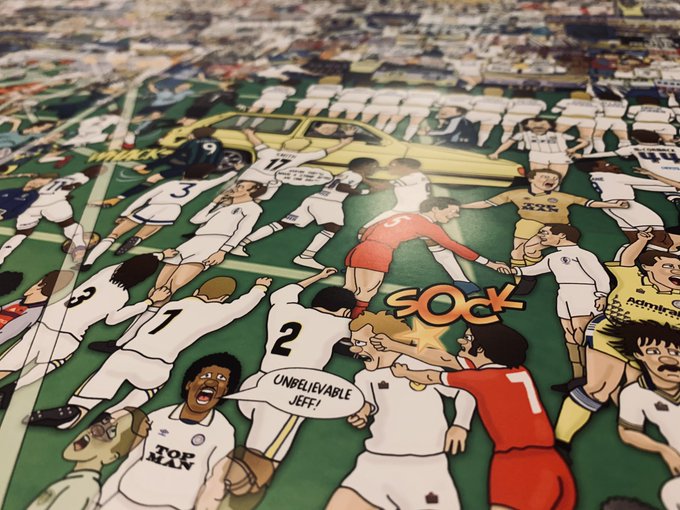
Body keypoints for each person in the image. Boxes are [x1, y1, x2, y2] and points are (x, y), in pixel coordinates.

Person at [374, 321, 577, 510]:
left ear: (481, 350)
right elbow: (444, 359)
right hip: (552, 462)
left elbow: (431, 376)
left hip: (519, 465)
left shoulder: (484, 379)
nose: (461, 341)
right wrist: (394, 345)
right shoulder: (518, 372)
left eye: (468, 338)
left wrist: (406, 373)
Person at [27, 276, 271, 429]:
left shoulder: (174, 305)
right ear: (223, 298)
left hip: (125, 354)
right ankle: (112, 417)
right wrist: (259, 289)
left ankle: (74, 412)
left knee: (91, 393)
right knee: (144, 391)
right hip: (157, 364)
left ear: (197, 291)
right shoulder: (212, 312)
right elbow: (240, 308)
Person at [325, 311, 475, 510]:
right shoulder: (364, 377)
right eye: (354, 343)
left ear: (382, 341)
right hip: (375, 461)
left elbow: (465, 392)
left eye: (360, 343)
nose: (355, 349)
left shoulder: (419, 364)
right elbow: (368, 403)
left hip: (424, 466)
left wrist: (460, 425)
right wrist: (361, 413)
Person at [233, 269, 355, 500]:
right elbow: (369, 335)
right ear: (345, 312)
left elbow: (285, 292)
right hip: (287, 393)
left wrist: (319, 275)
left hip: (256, 384)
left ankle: (240, 488)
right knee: (265, 456)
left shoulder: (285, 308)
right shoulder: (340, 323)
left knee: (258, 449)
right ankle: (240, 496)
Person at [554, 230, 680, 454]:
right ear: (648, 268)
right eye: (668, 266)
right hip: (612, 335)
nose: (676, 271)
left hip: (652, 347)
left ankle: (633, 431)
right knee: (598, 387)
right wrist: (642, 240)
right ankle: (560, 442)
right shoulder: (632, 278)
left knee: (633, 392)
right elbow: (628, 259)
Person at [0, 252, 173, 408]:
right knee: (49, 364)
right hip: (67, 335)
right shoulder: (122, 295)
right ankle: (13, 388)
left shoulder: (105, 273)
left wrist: (160, 255)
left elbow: (132, 264)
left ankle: (9, 386)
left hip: (46, 322)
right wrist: (149, 302)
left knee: (9, 363)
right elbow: (112, 320)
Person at [98, 353, 240, 510]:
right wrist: (100, 502)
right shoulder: (158, 417)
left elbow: (216, 481)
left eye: (221, 379)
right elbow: (130, 460)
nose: (212, 382)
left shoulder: (223, 430)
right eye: (206, 375)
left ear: (225, 392)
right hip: (124, 498)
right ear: (189, 384)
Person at [462, 169, 628, 288]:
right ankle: (522, 284)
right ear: (532, 179)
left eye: (555, 179)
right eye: (545, 176)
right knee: (516, 254)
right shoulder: (516, 194)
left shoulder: (562, 197)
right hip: (527, 225)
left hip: (556, 229)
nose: (551, 180)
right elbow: (486, 203)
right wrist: (461, 206)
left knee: (532, 249)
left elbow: (587, 203)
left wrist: (614, 205)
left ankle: (530, 277)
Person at [346, 197, 508, 317]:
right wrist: (490, 264)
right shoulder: (427, 225)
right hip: (377, 254)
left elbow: (369, 231)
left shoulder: (408, 216)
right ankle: (352, 328)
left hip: (360, 249)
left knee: (349, 292)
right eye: (453, 211)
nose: (456, 215)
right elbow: (454, 246)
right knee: (365, 294)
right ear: (435, 209)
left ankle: (340, 321)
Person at [508, 224, 609, 387]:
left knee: (581, 334)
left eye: (545, 233)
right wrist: (514, 270)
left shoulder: (583, 255)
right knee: (569, 335)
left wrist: (602, 295)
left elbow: (600, 276)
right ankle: (577, 378)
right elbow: (534, 270)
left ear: (561, 235)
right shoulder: (553, 257)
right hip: (564, 294)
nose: (541, 236)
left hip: (584, 293)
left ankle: (592, 378)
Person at [82, 163, 238, 267]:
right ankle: (136, 239)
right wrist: (235, 170)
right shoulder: (202, 185)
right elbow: (223, 179)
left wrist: (125, 213)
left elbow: (144, 198)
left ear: (184, 173)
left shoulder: (170, 183)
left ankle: (89, 262)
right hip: (172, 210)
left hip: (152, 206)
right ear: (203, 176)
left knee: (113, 235)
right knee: (143, 234)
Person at [232, 158, 378, 269]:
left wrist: (368, 182)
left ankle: (241, 244)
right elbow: (342, 187)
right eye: (372, 166)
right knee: (333, 227)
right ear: (363, 166)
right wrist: (365, 191)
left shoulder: (347, 173)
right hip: (329, 203)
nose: (374, 169)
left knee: (283, 224)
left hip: (315, 199)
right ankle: (306, 257)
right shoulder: (355, 176)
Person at [362, 159, 480, 294]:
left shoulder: (412, 177)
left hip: (410, 214)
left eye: (393, 165)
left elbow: (380, 187)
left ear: (406, 166)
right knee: (438, 248)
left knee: (365, 232)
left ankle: (463, 282)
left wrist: (362, 177)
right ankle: (463, 282)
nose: (389, 167)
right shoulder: (418, 176)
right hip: (410, 212)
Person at [27, 408, 150, 510]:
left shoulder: (80, 488)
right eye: (104, 420)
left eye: (111, 432)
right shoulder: (76, 483)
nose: (94, 431)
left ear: (111, 457)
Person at [615, 321, 680, 510]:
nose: (668, 359)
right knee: (672, 493)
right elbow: (627, 431)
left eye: (675, 352)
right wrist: (664, 450)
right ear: (639, 355)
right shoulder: (634, 393)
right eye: (653, 351)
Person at [93, 127, 228, 209]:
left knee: (154, 178)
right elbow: (220, 157)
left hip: (190, 168)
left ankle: (118, 198)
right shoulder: (217, 142)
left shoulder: (193, 142)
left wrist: (149, 165)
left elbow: (171, 156)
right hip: (207, 169)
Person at [0, 166, 105, 265]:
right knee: (68, 224)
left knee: (22, 233)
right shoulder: (63, 180)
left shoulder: (33, 189)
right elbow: (87, 173)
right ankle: (80, 245)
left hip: (40, 205)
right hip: (52, 202)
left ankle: (1, 256)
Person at [574, 158, 677, 250]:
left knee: (634, 237)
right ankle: (659, 255)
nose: (614, 166)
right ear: (596, 168)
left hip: (612, 205)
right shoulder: (612, 176)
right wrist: (675, 184)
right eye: (607, 165)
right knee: (657, 230)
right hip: (625, 204)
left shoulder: (596, 177)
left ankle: (637, 255)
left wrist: (673, 188)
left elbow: (644, 186)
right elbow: (652, 183)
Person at [237, 128, 353, 201]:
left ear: (283, 145)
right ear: (301, 149)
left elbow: (257, 143)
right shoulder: (300, 156)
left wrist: (249, 133)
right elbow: (324, 152)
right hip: (270, 178)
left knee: (236, 191)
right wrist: (343, 143)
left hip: (252, 174)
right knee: (257, 199)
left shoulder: (270, 152)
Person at [488, 117, 589, 179]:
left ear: (549, 126)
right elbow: (508, 143)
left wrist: (573, 149)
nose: (538, 126)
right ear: (527, 126)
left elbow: (585, 142)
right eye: (533, 124)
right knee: (538, 178)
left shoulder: (559, 134)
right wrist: (496, 153)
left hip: (559, 155)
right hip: (537, 155)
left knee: (557, 178)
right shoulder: (523, 134)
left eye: (543, 124)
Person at [0, 270, 73, 348]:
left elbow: (5, 334)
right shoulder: (19, 302)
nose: (31, 286)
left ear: (41, 286)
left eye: (37, 283)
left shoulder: (32, 314)